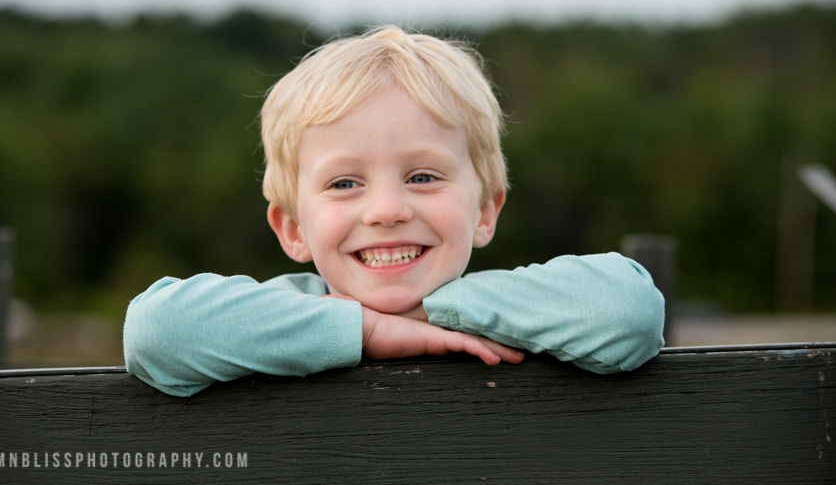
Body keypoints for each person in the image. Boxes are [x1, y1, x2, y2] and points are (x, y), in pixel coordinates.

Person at [123, 26, 665, 397]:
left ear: (485, 210)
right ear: (292, 228)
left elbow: (626, 312)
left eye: (423, 177)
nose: (386, 210)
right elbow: (158, 330)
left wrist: (433, 313)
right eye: (343, 183)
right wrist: (368, 332)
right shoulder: (275, 315)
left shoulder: (522, 313)